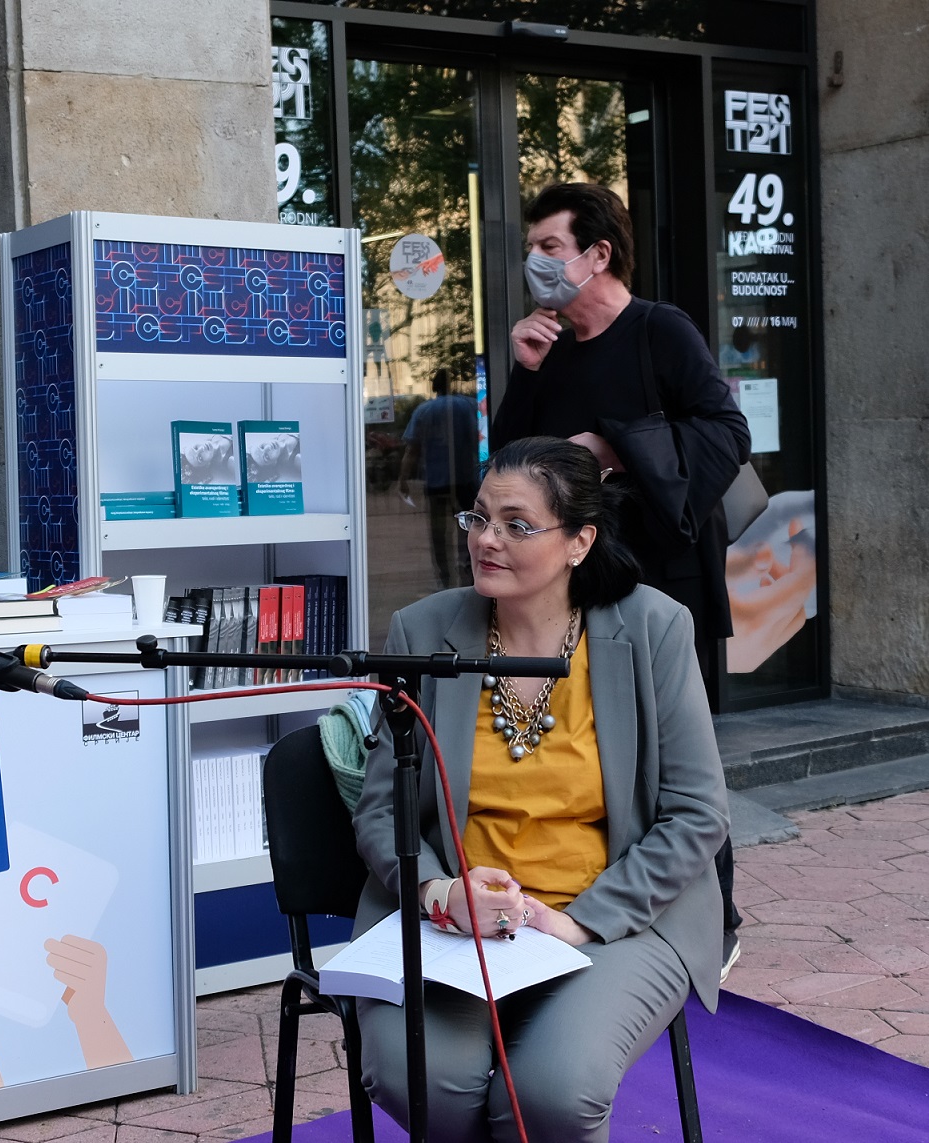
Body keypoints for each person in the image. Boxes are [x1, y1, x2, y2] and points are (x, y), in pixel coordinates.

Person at [352, 436, 729, 1142]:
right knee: (424, 1082)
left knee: (551, 1092)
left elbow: (697, 813)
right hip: (453, 925)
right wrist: (439, 893)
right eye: (478, 518)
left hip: (614, 918)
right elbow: (381, 808)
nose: (485, 540)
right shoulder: (423, 631)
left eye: (516, 525)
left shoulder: (653, 628)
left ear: (579, 541)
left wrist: (578, 920)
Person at [490, 181, 750, 976]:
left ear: (597, 253)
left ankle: (715, 920)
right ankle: (607, 905)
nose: (535, 262)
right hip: (575, 587)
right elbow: (508, 467)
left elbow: (724, 430)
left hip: (665, 578)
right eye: (531, 249)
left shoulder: (657, 330)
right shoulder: (548, 350)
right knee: (603, 753)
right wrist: (524, 372)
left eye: (549, 247)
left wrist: (611, 447)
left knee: (679, 758)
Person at [397, 368, 480, 589]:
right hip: (465, 479)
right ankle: (468, 572)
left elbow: (412, 450)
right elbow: (479, 439)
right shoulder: (468, 406)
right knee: (468, 528)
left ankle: (444, 579)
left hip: (436, 481)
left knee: (439, 534)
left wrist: (403, 479)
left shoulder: (424, 410)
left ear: (434, 386)